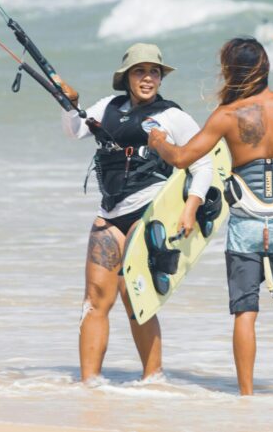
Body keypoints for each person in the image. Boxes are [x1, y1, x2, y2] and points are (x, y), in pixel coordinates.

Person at [146, 37, 273, 396]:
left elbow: (182, 157)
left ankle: (245, 398)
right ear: (265, 67)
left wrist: (158, 141)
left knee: (245, 311)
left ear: (230, 71)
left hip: (245, 224)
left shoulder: (226, 116)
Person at [56, 43, 214, 383]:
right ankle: (89, 384)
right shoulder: (107, 107)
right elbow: (75, 130)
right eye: (140, 72)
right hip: (110, 213)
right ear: (126, 76)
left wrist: (191, 208)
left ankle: (153, 380)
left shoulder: (172, 115)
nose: (148, 78)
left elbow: (204, 165)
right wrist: (69, 104)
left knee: (136, 296)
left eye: (154, 72)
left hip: (150, 209)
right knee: (95, 299)